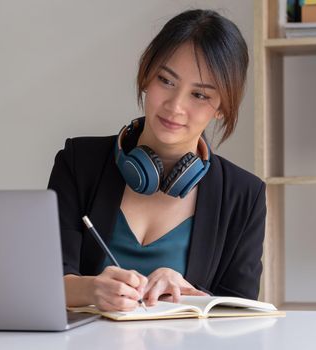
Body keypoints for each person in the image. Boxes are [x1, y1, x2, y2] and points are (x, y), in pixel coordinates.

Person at [48, 9, 265, 312]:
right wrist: (92, 289)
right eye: (166, 80)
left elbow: (240, 316)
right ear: (148, 75)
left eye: (200, 95)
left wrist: (186, 291)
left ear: (222, 109)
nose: (175, 106)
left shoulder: (244, 195)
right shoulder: (78, 163)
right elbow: (45, 282)